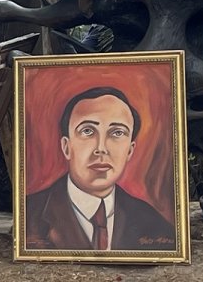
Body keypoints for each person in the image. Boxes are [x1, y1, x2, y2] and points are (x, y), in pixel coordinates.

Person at [25, 86, 175, 251]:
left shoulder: (154, 223)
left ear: (130, 151)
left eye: (117, 133)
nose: (101, 148)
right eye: (88, 131)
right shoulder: (28, 214)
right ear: (66, 147)